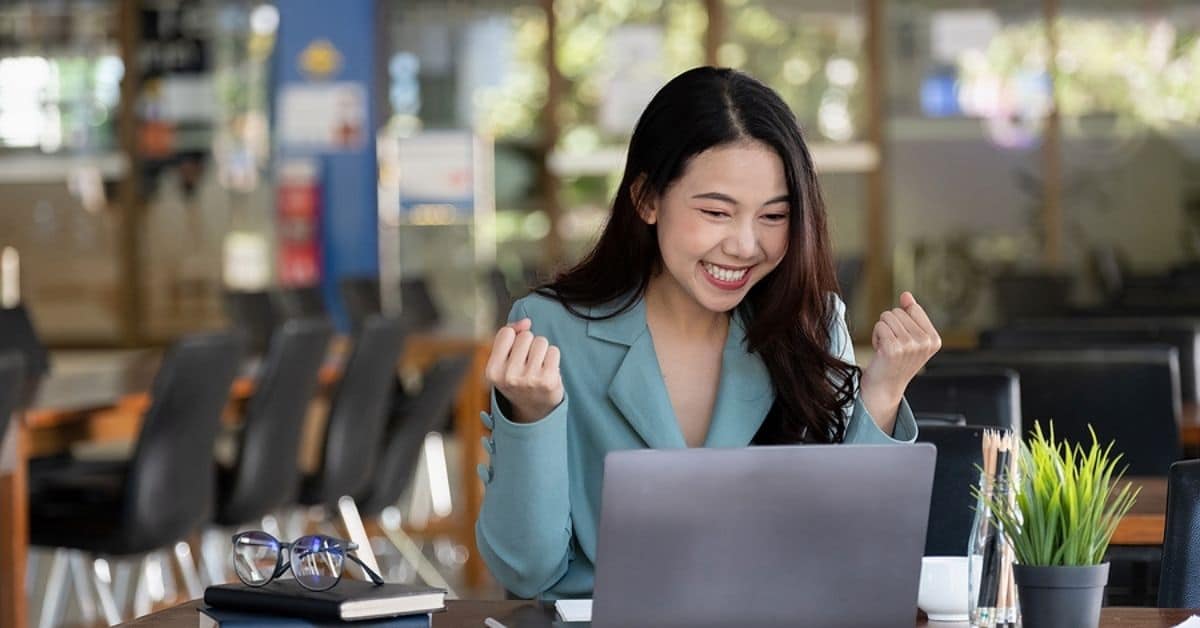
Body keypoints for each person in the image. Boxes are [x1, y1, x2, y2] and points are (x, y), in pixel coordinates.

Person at [475, 67, 941, 599]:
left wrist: (880, 393)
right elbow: (525, 571)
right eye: (717, 212)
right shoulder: (550, 331)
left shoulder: (809, 326)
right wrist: (531, 416)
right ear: (647, 199)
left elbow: (851, 556)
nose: (745, 245)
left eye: (773, 216)